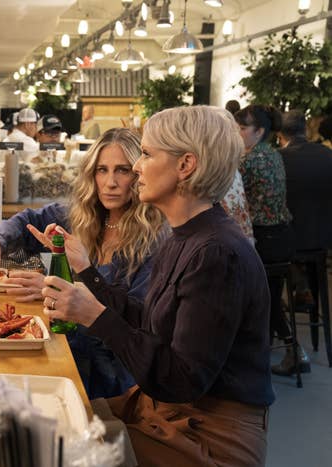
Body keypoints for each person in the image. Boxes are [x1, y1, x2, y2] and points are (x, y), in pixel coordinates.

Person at [40, 106, 273, 467]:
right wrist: (86, 273)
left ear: (186, 166)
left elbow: (181, 379)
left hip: (207, 432)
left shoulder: (216, 254)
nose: (135, 168)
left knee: (52, 447)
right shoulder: (185, 236)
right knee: (44, 419)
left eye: (146, 154)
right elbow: (150, 321)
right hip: (169, 409)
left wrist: (97, 317)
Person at [0, 128, 165, 398]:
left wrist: (58, 288)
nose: (110, 182)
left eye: (122, 170)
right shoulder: (80, 215)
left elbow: (135, 320)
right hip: (61, 343)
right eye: (102, 170)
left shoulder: (154, 239)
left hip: (104, 369)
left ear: (139, 173)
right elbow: (22, 220)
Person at [234, 105, 301, 369]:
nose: (238, 133)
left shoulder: (250, 160)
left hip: (267, 239)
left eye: (242, 128)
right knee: (267, 296)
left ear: (259, 131)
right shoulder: (272, 154)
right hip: (283, 236)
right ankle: (273, 347)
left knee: (259, 296)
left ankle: (289, 350)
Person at [277, 110, 332, 374]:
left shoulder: (280, 159)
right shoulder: (327, 155)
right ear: (305, 130)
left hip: (291, 242)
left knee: (272, 256)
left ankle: (281, 337)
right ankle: (304, 290)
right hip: (323, 240)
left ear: (279, 135)